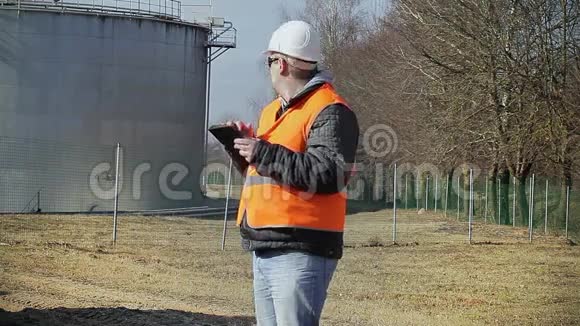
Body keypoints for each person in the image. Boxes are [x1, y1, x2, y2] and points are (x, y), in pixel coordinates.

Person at [229, 20, 359, 326]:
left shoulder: (330, 110)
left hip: (301, 248)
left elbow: (329, 173)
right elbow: (269, 176)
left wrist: (262, 152)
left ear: (283, 64)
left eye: (270, 61)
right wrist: (245, 153)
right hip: (267, 243)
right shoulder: (271, 112)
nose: (269, 69)